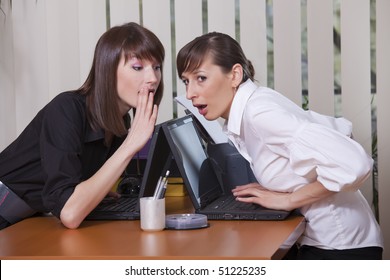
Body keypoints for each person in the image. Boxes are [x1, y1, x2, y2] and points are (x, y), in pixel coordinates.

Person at [176, 32, 384, 260]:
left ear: (234, 75)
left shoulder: (259, 113)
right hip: (326, 240)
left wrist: (287, 200)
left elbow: (356, 164)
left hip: (341, 247)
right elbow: (333, 132)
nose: (190, 94)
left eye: (201, 78)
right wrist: (286, 188)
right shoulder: (252, 107)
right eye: (186, 81)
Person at [0, 22, 165, 230]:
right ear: (107, 70)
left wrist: (96, 191)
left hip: (29, 218)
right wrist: (131, 144)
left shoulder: (120, 122)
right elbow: (70, 213)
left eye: (157, 67)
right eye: (138, 67)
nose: (152, 79)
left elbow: (70, 193)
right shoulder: (66, 109)